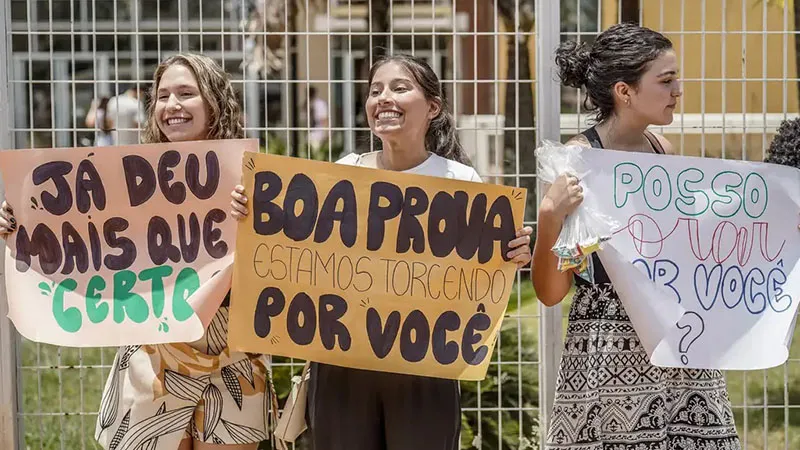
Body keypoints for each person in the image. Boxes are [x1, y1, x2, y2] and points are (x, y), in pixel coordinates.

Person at [229, 54, 533, 450]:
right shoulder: (344, 172)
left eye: (400, 88)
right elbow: (292, 250)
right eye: (375, 91)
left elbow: (482, 277)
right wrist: (251, 211)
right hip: (342, 366)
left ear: (433, 108)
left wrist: (513, 253)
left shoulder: (463, 182)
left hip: (425, 368)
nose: (383, 98)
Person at [1, 53, 272, 450]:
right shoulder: (124, 180)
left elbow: (281, 259)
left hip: (234, 358)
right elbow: (71, 227)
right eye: (162, 96)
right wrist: (20, 220)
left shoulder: (252, 178)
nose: (172, 105)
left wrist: (258, 218)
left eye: (186, 93)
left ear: (213, 101)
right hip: (152, 354)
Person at [532, 23, 742, 449]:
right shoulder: (579, 164)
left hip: (677, 341)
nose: (678, 89)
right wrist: (550, 217)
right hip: (608, 355)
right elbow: (553, 292)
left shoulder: (662, 150)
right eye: (666, 80)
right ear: (624, 92)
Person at [307, 86, 329, 151]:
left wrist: (326, 134)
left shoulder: (320, 104)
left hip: (318, 134)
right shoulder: (307, 104)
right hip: (309, 135)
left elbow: (324, 119)